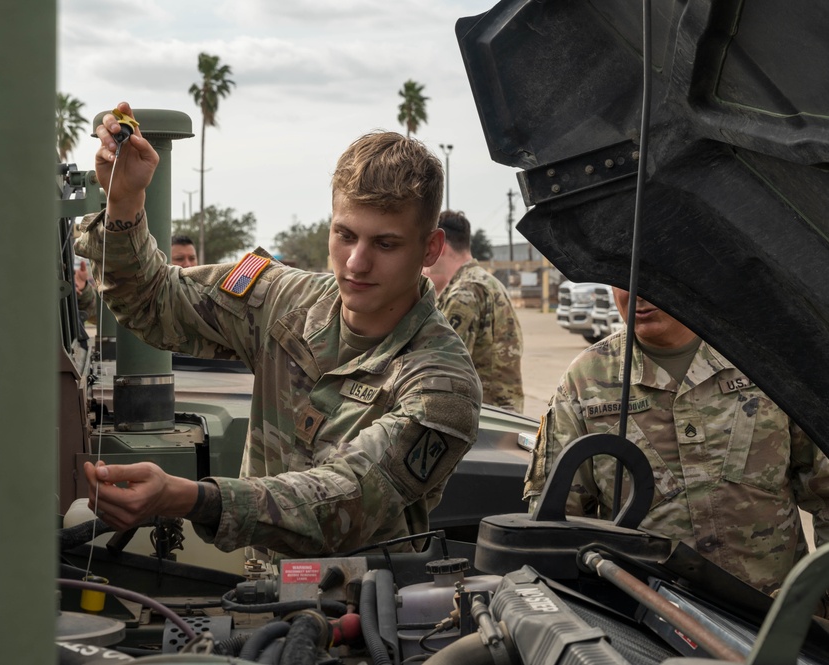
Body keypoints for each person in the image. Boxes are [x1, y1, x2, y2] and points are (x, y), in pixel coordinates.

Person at [74, 103, 482, 559]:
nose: (356, 263)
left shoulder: (443, 386)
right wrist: (125, 202)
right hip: (261, 596)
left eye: (385, 244)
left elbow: (346, 499)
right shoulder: (282, 299)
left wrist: (188, 497)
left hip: (367, 613)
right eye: (345, 235)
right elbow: (153, 300)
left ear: (431, 248)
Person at [523, 287, 829, 595]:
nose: (636, 294)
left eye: (650, 275)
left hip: (777, 626)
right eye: (622, 277)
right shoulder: (583, 382)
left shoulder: (764, 360)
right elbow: (556, 528)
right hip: (649, 626)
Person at [423, 210, 524, 412]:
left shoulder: (464, 292)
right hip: (501, 415)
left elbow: (439, 370)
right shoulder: (487, 282)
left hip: (481, 418)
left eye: (427, 248)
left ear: (440, 246)